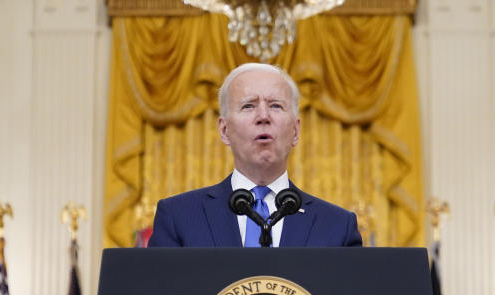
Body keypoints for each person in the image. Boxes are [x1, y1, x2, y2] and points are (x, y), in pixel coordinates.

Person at [148, 62, 362, 247]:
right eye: (248, 106)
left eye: (276, 106)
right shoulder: (179, 217)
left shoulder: (337, 227)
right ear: (224, 130)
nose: (263, 116)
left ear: (295, 131)